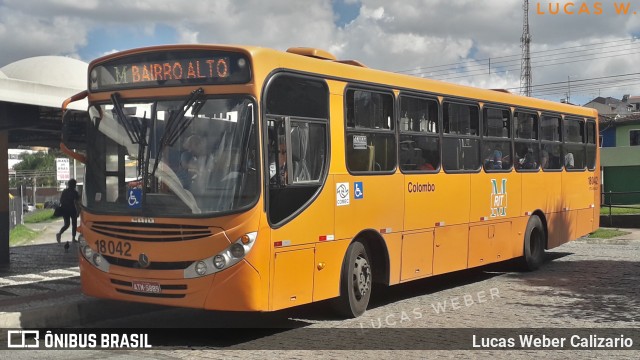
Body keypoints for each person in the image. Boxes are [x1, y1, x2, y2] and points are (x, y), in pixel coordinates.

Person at [56, 179, 80, 243]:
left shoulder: (65, 191)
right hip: (72, 209)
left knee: (67, 224)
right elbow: (77, 203)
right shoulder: (75, 192)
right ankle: (73, 238)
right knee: (74, 224)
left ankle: (59, 234)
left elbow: (61, 201)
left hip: (65, 210)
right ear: (74, 185)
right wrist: (78, 211)